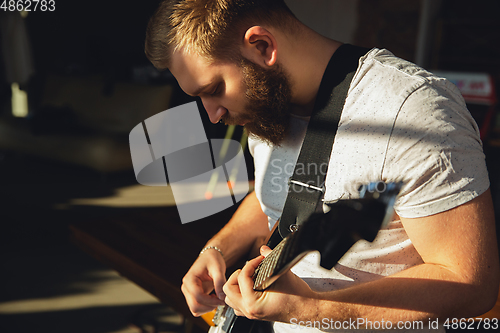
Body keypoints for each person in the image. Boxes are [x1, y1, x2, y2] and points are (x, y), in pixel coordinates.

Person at [145, 0, 500, 331]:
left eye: (214, 88)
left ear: (263, 47)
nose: (212, 113)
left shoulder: (412, 114)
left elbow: (470, 283)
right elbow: (280, 196)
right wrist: (219, 248)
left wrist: (309, 309)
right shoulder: (266, 106)